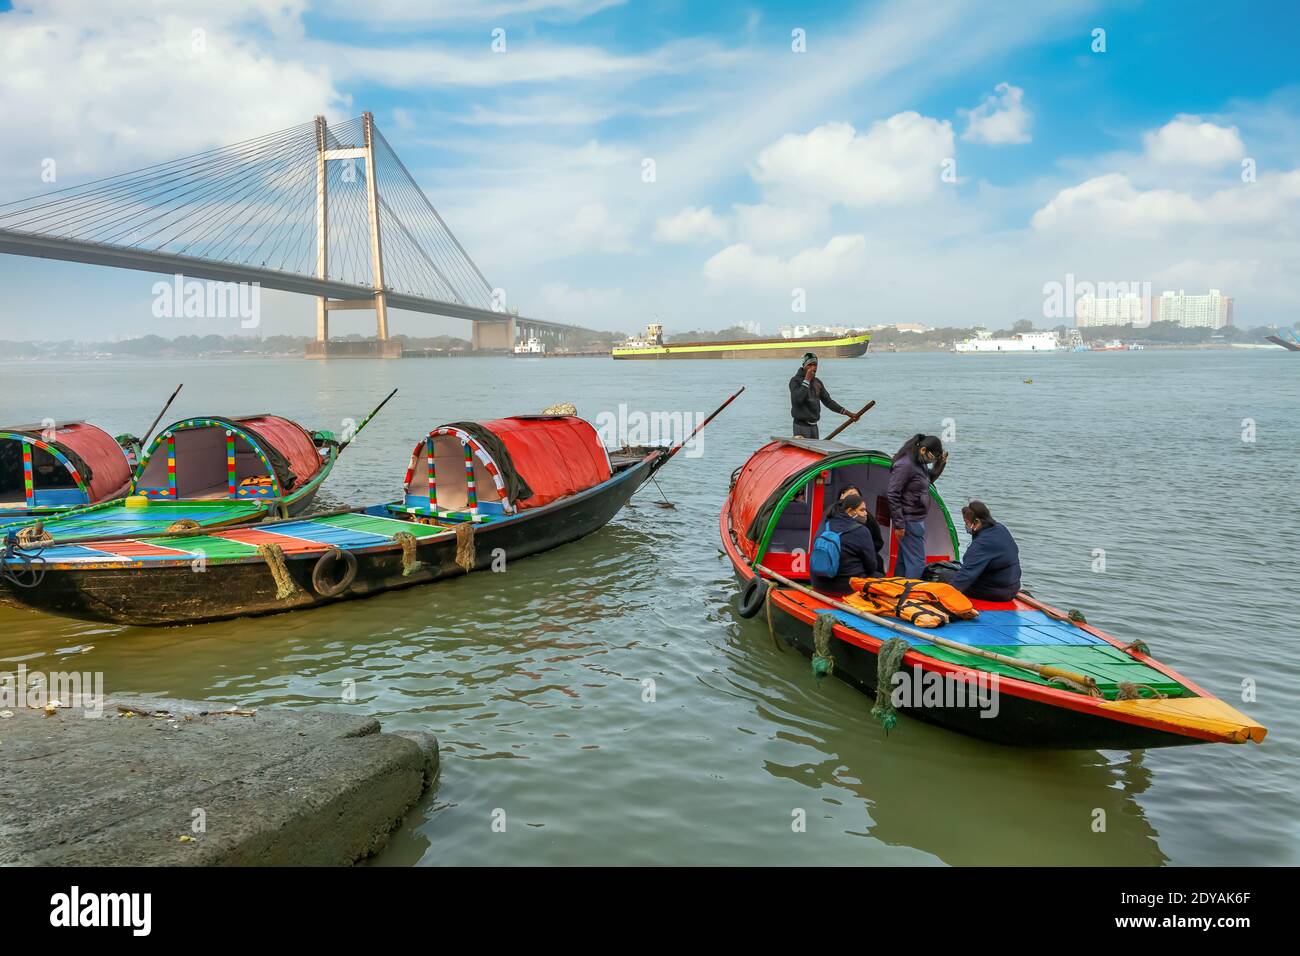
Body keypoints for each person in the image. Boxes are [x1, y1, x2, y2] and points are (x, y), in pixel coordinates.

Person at [887, 434, 947, 579]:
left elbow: (927, 481)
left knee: (904, 560)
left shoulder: (919, 463)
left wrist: (940, 465)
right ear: (923, 450)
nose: (932, 460)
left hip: (915, 519)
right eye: (932, 457)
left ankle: (898, 588)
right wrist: (900, 524)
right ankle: (912, 595)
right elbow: (892, 493)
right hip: (909, 520)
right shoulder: (905, 465)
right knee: (917, 563)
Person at [942, 500, 1021, 601]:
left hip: (998, 592)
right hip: (1012, 586)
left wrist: (944, 594)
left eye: (967, 523)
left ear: (977, 522)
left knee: (943, 575)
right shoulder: (1000, 528)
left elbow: (966, 574)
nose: (966, 526)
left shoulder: (982, 543)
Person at [810, 493, 882, 595]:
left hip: (818, 585)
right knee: (880, 577)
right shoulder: (861, 531)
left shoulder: (825, 524)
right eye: (862, 510)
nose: (866, 513)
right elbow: (871, 566)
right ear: (850, 511)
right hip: (847, 588)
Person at [789, 353, 855, 439]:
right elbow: (797, 400)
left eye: (815, 365)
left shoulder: (817, 383)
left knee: (814, 452)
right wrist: (807, 380)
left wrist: (848, 413)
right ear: (804, 366)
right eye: (809, 365)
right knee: (803, 451)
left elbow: (828, 402)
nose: (813, 367)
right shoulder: (795, 381)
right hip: (800, 427)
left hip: (814, 427)